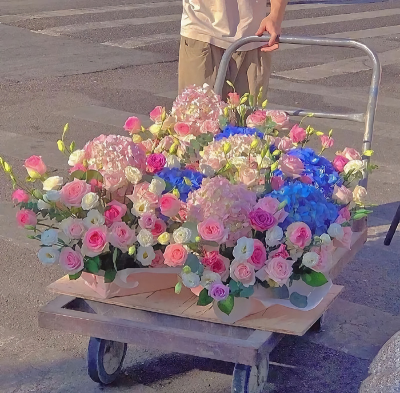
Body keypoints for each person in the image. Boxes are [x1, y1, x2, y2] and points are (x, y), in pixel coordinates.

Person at [178, 0, 288, 99]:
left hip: (253, 35)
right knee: (198, 115)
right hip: (202, 31)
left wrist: (275, 16)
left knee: (248, 118)